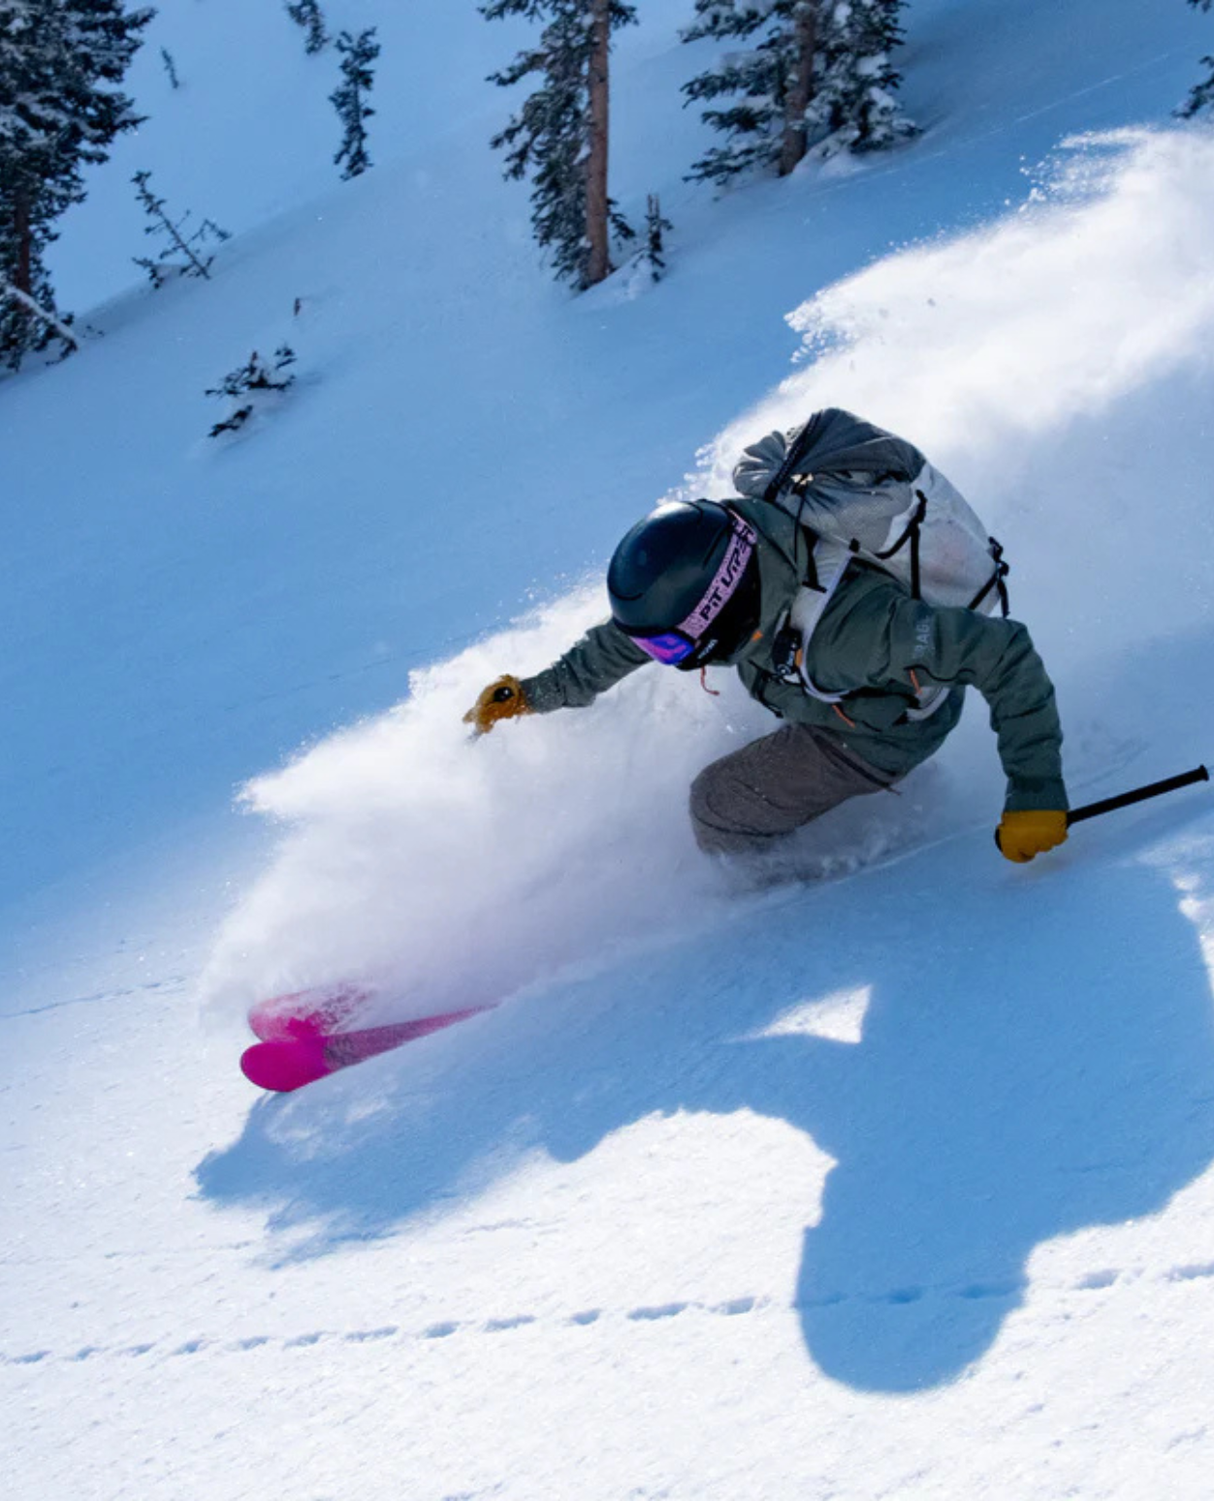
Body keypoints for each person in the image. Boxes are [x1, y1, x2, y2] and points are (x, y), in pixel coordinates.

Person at [464, 410, 1068, 869]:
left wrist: (1036, 792)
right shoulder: (751, 533)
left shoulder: (850, 636)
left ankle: (790, 904)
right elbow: (635, 637)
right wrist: (536, 692)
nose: (670, 659)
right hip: (826, 673)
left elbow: (1003, 651)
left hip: (882, 728)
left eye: (676, 652)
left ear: (728, 611)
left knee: (717, 807)